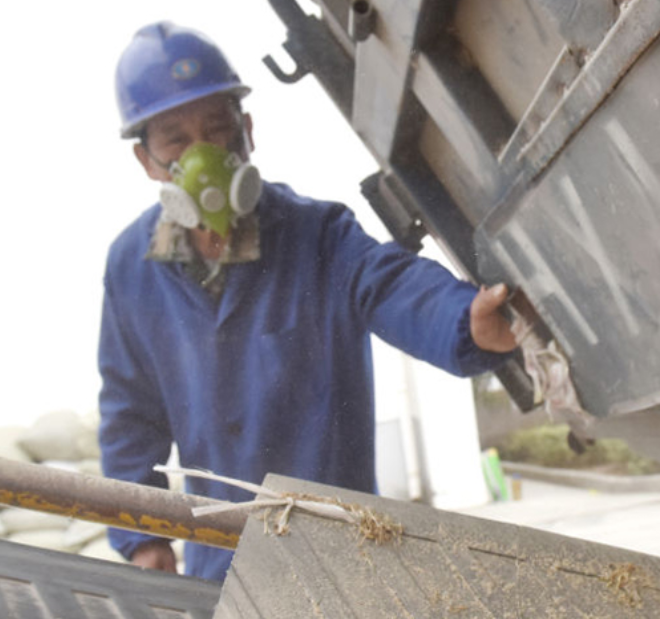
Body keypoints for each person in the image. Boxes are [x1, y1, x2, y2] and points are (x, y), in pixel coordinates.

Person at [101, 22, 517, 581]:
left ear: (247, 131)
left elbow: (389, 283)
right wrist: (142, 537)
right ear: (147, 160)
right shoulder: (131, 267)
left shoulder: (315, 233)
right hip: (220, 558)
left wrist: (463, 321)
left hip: (339, 555)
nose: (202, 154)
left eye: (217, 129)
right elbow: (130, 412)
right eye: (176, 139)